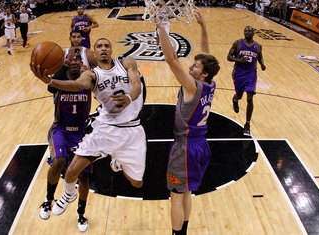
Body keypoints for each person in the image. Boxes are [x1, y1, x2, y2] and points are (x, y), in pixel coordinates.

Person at [30, 38, 146, 220]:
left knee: (137, 183)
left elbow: (136, 84)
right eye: (99, 46)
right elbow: (77, 85)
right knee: (70, 171)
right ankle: (68, 195)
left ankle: (117, 160)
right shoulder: (92, 75)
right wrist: (50, 82)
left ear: (111, 49)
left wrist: (130, 98)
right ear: (94, 52)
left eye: (107, 45)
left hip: (131, 130)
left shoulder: (126, 62)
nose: (103, 49)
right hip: (106, 129)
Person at [155, 6, 220, 235]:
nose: (191, 66)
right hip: (201, 145)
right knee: (187, 193)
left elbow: (171, 59)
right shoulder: (210, 83)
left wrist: (160, 26)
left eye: (195, 66)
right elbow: (207, 56)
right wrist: (203, 27)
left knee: (175, 196)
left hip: (185, 148)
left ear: (202, 74)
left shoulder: (192, 86)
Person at [38, 50, 92, 232]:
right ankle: (48, 200)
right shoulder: (59, 81)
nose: (75, 62)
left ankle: (81, 212)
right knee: (59, 161)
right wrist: (62, 65)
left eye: (78, 59)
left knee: (84, 176)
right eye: (71, 59)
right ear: (67, 62)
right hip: (60, 129)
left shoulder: (89, 79)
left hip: (81, 133)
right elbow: (50, 86)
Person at [227, 25, 266, 136]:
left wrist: (262, 64)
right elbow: (228, 57)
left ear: (253, 33)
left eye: (249, 31)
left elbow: (260, 56)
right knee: (239, 96)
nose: (247, 32)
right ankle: (235, 100)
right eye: (245, 30)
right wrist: (239, 59)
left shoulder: (258, 46)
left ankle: (247, 124)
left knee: (250, 97)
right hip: (239, 73)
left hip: (251, 74)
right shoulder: (238, 43)